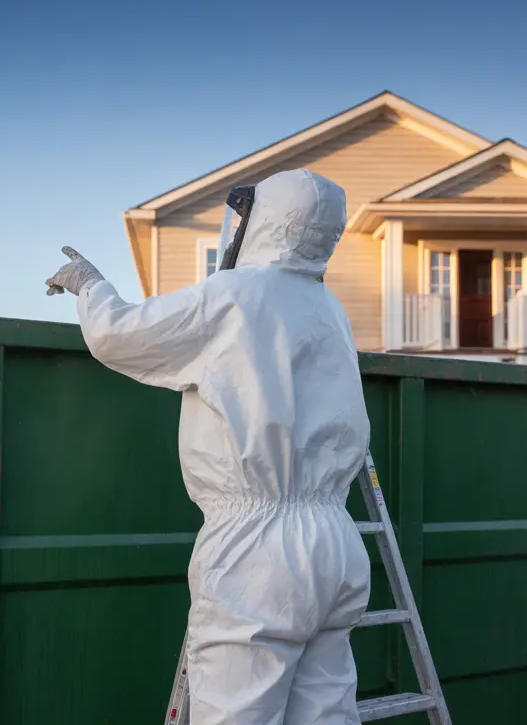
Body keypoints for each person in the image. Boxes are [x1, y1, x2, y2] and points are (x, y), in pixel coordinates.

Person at [46, 168, 372, 725]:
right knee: (326, 714)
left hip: (257, 550)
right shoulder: (330, 311)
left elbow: (120, 335)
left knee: (237, 713)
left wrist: (90, 285)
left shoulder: (234, 296)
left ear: (262, 220)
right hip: (336, 542)